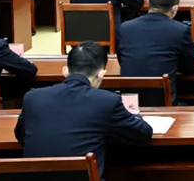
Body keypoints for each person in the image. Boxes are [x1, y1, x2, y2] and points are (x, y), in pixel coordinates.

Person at [15, 42, 153, 180]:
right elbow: (143, 134)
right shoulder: (107, 101)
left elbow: (21, 136)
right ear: (101, 74)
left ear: (65, 71)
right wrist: (134, 114)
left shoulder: (32, 98)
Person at [118, 0, 194, 105]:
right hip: (164, 104)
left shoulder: (125, 28)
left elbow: (121, 60)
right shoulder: (180, 30)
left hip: (130, 106)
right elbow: (193, 68)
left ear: (149, 2)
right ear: (175, 8)